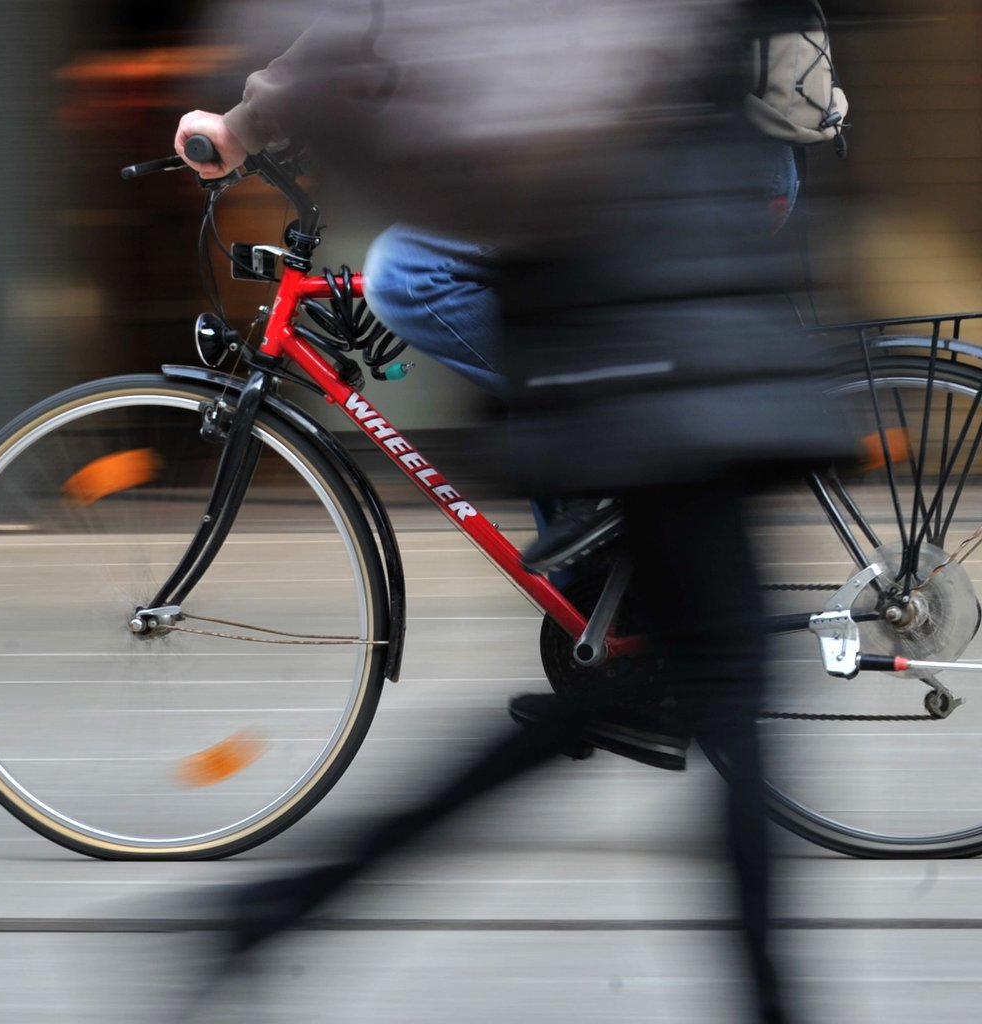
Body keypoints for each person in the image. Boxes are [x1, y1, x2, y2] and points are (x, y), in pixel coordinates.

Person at [172, 4, 853, 1021]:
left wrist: (245, 119)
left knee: (407, 271)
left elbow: (377, 28)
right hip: (668, 239)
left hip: (640, 260)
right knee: (704, 679)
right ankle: (285, 904)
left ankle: (287, 903)